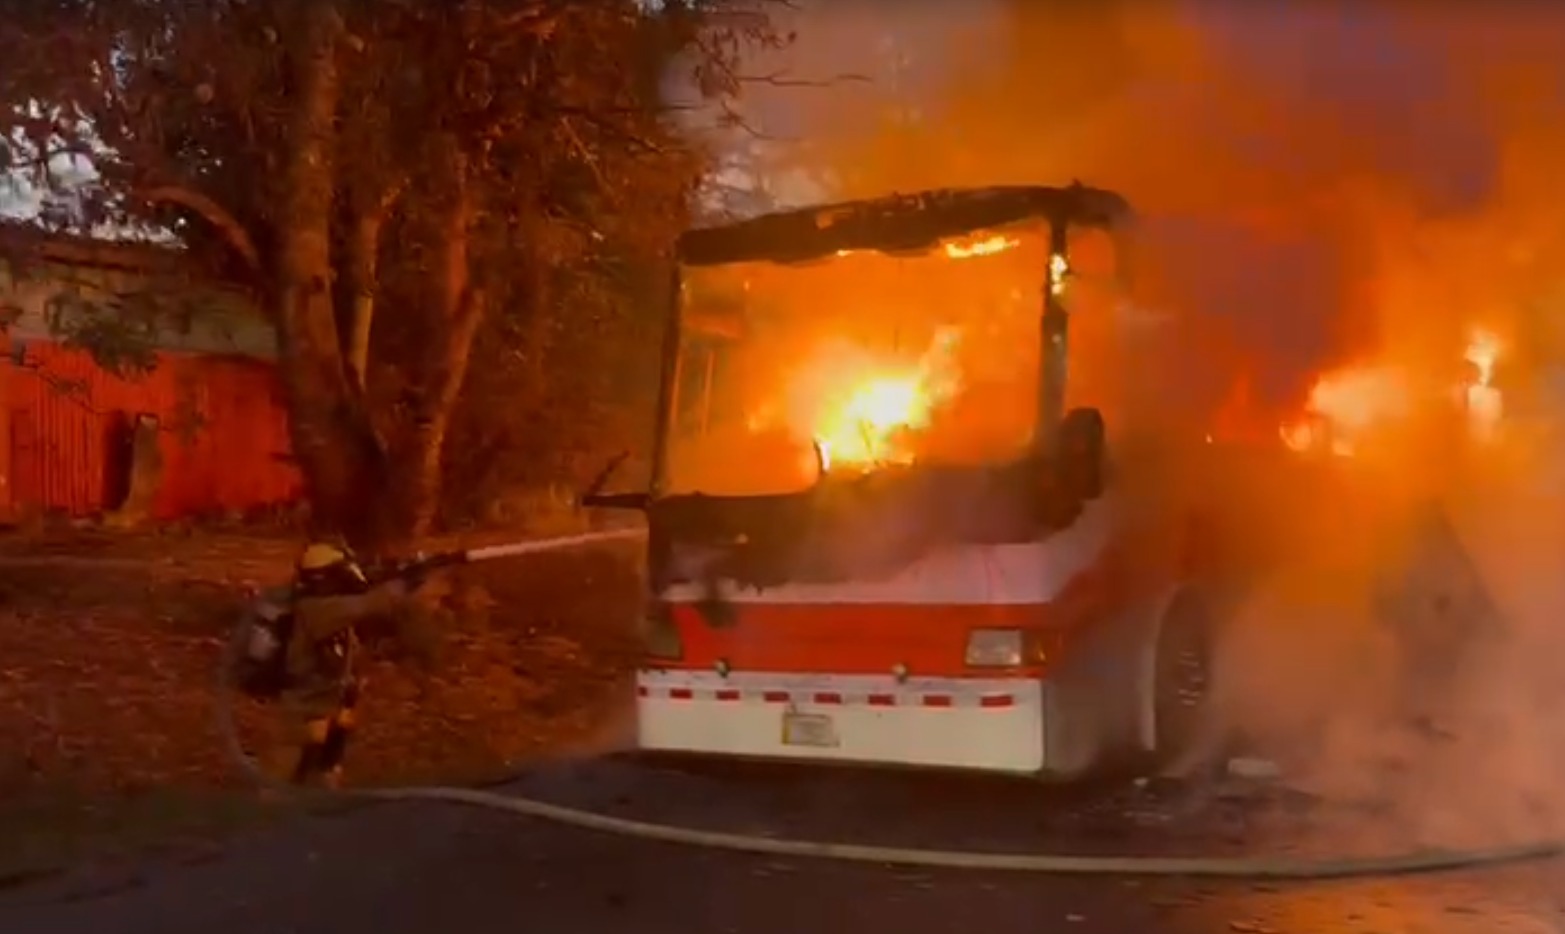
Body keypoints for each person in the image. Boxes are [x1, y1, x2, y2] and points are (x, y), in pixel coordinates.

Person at [259, 539, 422, 789]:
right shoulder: (317, 609)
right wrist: (406, 583)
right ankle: (268, 823)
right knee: (278, 785)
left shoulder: (323, 603)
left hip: (325, 703)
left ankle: (314, 811)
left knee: (320, 777)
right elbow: (370, 604)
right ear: (326, 578)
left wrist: (405, 573)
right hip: (301, 711)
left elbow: (368, 593)